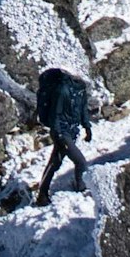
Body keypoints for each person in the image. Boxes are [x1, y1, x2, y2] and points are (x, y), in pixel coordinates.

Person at [30, 65, 95, 204]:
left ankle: (42, 195)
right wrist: (59, 134)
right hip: (62, 132)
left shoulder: (81, 90)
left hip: (71, 131)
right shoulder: (62, 90)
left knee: (55, 162)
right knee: (80, 162)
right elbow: (55, 115)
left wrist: (87, 127)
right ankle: (81, 188)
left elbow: (83, 110)